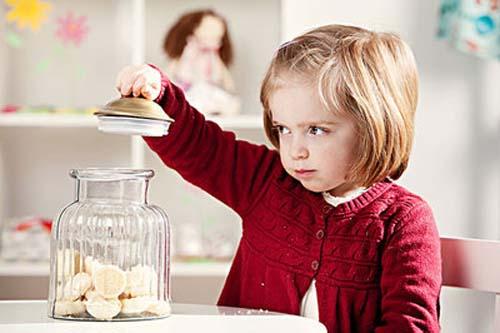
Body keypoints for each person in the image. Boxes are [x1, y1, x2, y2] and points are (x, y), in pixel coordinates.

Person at [115, 24, 441, 332]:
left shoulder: (404, 219)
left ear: (374, 127)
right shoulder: (265, 180)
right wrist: (159, 96)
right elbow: (201, 147)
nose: (295, 150)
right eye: (284, 129)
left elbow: (410, 325)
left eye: (316, 130)